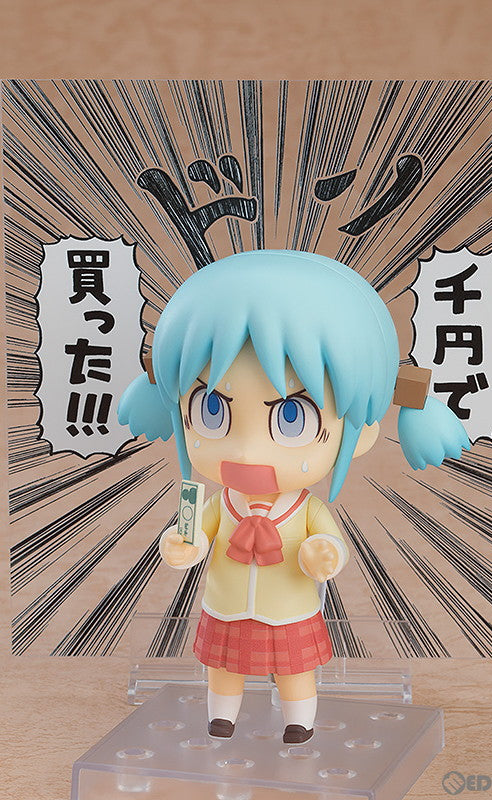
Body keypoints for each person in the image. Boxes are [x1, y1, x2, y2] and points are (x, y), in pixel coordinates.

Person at [118, 249, 468, 743]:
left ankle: (298, 721)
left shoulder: (307, 510)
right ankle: (222, 717)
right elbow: (195, 535)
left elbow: (329, 543)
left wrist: (323, 552)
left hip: (290, 608)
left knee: (294, 669)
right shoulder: (220, 504)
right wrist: (184, 545)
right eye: (211, 409)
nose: (245, 451)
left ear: (360, 431)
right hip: (225, 604)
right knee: (223, 665)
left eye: (291, 417)